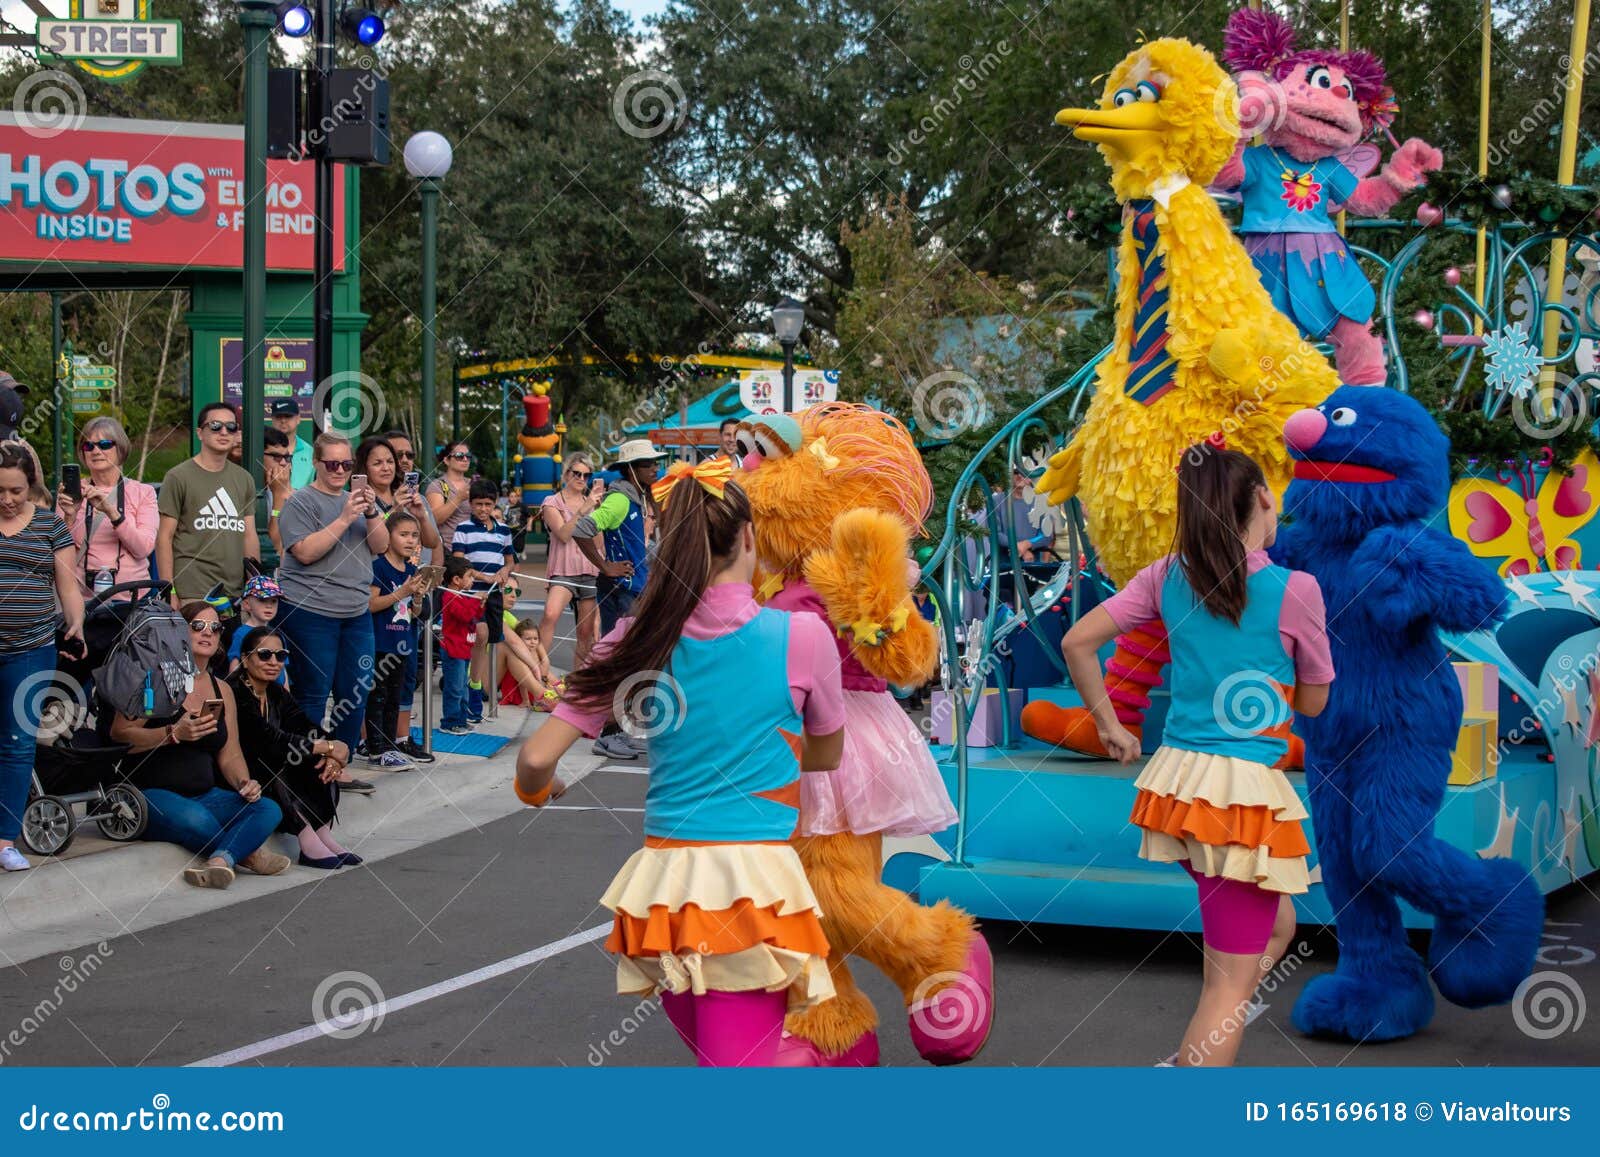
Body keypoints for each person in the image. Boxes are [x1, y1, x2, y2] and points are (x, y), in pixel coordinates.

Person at [514, 470, 845, 1066]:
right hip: (753, 884)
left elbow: (537, 758)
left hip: (667, 887)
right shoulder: (803, 635)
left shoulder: (639, 636)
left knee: (726, 1062)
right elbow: (828, 753)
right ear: (748, 537)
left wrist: (536, 791)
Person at [1059, 442, 1333, 1067]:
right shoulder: (1299, 590)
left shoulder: (1165, 576)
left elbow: (1078, 642)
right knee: (1228, 989)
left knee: (1280, 926)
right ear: (1263, 497)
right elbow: (1313, 706)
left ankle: (1194, 1061)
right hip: (1241, 803)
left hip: (1180, 791)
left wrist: (1111, 728)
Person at [111, 602, 289, 888]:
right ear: (179, 632)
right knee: (198, 819)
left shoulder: (223, 689)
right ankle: (247, 855)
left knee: (267, 808)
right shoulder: (153, 677)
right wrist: (172, 734)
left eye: (215, 627)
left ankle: (221, 860)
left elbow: (229, 753)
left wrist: (245, 783)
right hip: (151, 792)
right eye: (197, 626)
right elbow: (120, 735)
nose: (208, 633)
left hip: (204, 794)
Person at [273, 433, 389, 777]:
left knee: (354, 694)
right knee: (312, 693)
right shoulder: (301, 502)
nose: (340, 470)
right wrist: (343, 517)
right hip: (310, 611)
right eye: (332, 464)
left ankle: (340, 763)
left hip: (355, 612)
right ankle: (307, 766)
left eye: (346, 464)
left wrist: (369, 512)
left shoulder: (361, 502)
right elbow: (305, 553)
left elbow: (381, 546)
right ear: (316, 464)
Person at [0, 442, 83, 872]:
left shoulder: (51, 525)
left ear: (29, 485)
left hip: (31, 648)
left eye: (15, 490)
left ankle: (4, 839)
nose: (7, 499)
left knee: (17, 743)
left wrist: (76, 622)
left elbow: (68, 586)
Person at [229, 627, 360, 870]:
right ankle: (305, 834)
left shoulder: (275, 691)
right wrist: (329, 746)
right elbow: (266, 738)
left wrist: (333, 750)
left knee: (315, 758)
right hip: (236, 774)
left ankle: (321, 832)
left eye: (281, 655)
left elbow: (305, 726)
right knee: (275, 759)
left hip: (267, 761)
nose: (274, 662)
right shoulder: (235, 691)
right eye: (265, 654)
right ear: (246, 659)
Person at [570, 440, 663, 761]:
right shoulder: (621, 500)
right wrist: (605, 565)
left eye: (655, 463)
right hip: (621, 591)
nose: (655, 468)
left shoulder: (636, 497)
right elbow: (582, 529)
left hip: (632, 590)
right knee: (620, 664)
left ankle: (621, 729)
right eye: (648, 464)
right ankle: (608, 733)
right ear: (632, 469)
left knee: (634, 662)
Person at [157, 402, 260, 604]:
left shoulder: (244, 478)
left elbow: (249, 535)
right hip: (191, 592)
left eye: (231, 427)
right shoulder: (178, 476)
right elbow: (164, 537)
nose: (223, 432)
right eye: (215, 426)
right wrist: (169, 589)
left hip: (235, 593)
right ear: (200, 433)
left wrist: (253, 588)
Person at [56, 416, 158, 601]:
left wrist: (112, 513)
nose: (96, 451)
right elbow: (59, 553)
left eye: (104, 444)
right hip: (82, 601)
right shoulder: (73, 492)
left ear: (121, 448)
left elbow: (143, 549)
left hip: (133, 600)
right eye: (89, 446)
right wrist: (69, 518)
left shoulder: (143, 492)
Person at [452, 478, 516, 724]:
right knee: (478, 636)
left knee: (489, 640)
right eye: (478, 504)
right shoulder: (463, 529)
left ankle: (475, 686)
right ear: (470, 504)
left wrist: (504, 572)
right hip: (471, 593)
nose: (483, 509)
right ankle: (472, 689)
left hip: (493, 594)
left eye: (488, 504)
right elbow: (459, 561)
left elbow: (509, 560)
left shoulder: (504, 530)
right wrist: (483, 576)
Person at [367, 510, 423, 770]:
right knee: (377, 698)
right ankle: (376, 749)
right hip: (380, 643)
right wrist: (402, 592)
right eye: (403, 534)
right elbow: (371, 604)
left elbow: (415, 612)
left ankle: (389, 745)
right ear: (388, 536)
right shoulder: (378, 566)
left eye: (414, 535)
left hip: (402, 643)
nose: (410, 540)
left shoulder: (412, 570)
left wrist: (419, 597)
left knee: (394, 697)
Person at [538, 453, 602, 669]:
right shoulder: (552, 502)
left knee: (585, 632)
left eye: (587, 475)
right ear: (566, 474)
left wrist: (600, 513)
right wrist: (582, 512)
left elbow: (599, 543)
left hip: (590, 570)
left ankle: (577, 684)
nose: (581, 478)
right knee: (550, 614)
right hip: (563, 571)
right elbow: (564, 535)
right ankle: (539, 671)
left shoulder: (592, 503)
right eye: (577, 473)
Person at [438, 557, 483, 735]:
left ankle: (461, 719)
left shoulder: (463, 596)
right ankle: (449, 722)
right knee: (454, 688)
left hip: (464, 649)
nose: (473, 581)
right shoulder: (450, 596)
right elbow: (464, 615)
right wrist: (476, 601)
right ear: (456, 580)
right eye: (470, 577)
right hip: (453, 650)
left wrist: (480, 604)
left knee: (462, 687)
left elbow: (474, 616)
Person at [425, 441, 474, 566]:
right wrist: (458, 498)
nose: (465, 459)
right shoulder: (438, 485)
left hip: (475, 549)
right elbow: (434, 519)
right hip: (449, 551)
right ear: (446, 460)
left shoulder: (474, 484)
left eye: (468, 456)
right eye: (459, 456)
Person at [228, 575, 284, 680]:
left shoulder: (277, 634)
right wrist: (234, 691)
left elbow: (282, 669)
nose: (269, 606)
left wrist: (287, 694)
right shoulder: (241, 633)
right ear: (246, 604)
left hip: (278, 693)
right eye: (262, 600)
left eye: (274, 601)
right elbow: (235, 665)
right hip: (252, 692)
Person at [499, 617, 559, 709]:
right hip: (520, 690)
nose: (532, 642)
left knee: (546, 674)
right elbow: (522, 681)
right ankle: (537, 698)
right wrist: (526, 700)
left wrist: (545, 683)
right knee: (531, 673)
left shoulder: (535, 649)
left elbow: (545, 664)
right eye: (528, 639)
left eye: (535, 639)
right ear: (519, 639)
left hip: (534, 685)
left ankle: (554, 692)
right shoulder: (522, 654)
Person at [263, 428, 295, 556]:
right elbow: (272, 548)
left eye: (287, 457)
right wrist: (278, 497)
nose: (283, 463)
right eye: (276, 457)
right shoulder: (246, 489)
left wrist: (284, 491)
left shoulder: (293, 493)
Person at [271, 400, 315, 489]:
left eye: (288, 416)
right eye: (278, 416)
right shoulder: (264, 450)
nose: (283, 420)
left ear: (298, 419)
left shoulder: (311, 452)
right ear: (272, 419)